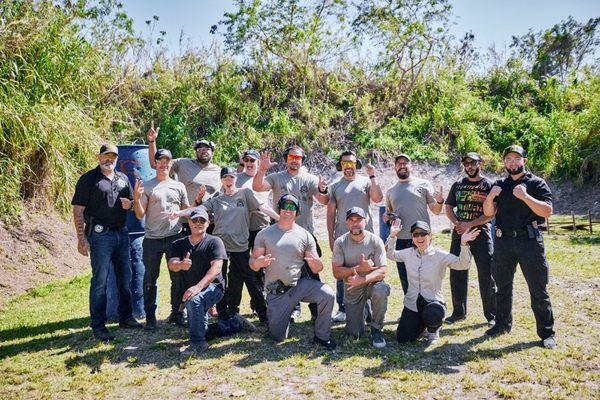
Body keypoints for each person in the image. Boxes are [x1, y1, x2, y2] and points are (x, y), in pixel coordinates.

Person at [173, 166, 279, 324]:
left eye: (231, 178)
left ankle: (262, 314)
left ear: (236, 178)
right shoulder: (216, 199)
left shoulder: (245, 193)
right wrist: (178, 214)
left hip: (240, 245)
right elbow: (197, 210)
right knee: (219, 281)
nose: (228, 181)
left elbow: (262, 207)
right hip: (220, 246)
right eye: (225, 178)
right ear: (221, 180)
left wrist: (279, 218)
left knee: (249, 279)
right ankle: (224, 313)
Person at [483, 145, 556, 349]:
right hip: (504, 241)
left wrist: (525, 196)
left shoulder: (536, 184)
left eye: (516, 158)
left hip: (530, 241)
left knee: (538, 289)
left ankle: (547, 333)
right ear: (504, 162)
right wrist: (490, 196)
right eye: (508, 159)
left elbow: (547, 211)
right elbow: (489, 213)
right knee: (502, 286)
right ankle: (502, 325)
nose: (512, 162)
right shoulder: (499, 185)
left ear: (524, 160)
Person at [71, 143, 142, 341]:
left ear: (117, 158)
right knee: (100, 281)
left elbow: (131, 204)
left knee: (124, 278)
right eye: (106, 156)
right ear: (99, 157)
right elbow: (78, 209)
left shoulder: (123, 178)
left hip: (122, 234)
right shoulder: (88, 179)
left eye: (113, 156)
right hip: (100, 236)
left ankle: (126, 317)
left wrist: (131, 204)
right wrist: (81, 238)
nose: (109, 159)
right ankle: (99, 325)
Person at [253, 146, 329, 322]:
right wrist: (262, 169)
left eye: (298, 157)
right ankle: (292, 309)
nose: (295, 160)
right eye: (292, 157)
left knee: (311, 270)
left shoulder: (310, 179)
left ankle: (316, 309)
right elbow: (258, 187)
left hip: (305, 234)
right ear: (286, 159)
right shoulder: (276, 177)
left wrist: (323, 189)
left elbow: (324, 201)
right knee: (284, 271)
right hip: (280, 234)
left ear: (302, 160)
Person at [249, 194, 336, 349]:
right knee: (277, 337)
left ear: (297, 211)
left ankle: (322, 336)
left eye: (292, 207)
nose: (288, 210)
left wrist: (317, 263)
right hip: (277, 292)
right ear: (279, 209)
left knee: (327, 294)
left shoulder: (305, 235)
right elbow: (252, 264)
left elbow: (317, 268)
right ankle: (282, 317)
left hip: (300, 286)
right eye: (285, 206)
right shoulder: (265, 234)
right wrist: (258, 262)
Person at [386, 220, 479, 344]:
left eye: (423, 234)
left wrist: (463, 244)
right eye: (415, 235)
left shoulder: (440, 255)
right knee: (403, 338)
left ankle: (433, 331)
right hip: (412, 303)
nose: (419, 237)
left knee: (433, 313)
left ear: (430, 236)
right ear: (412, 238)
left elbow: (463, 264)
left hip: (432, 302)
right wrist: (392, 236)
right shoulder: (408, 253)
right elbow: (390, 254)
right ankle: (422, 325)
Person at [133, 149, 189, 330]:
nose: (164, 164)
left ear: (171, 164)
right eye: (160, 161)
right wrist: (136, 197)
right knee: (150, 278)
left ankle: (177, 313)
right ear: (155, 163)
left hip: (175, 237)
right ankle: (150, 318)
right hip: (152, 239)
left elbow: (186, 211)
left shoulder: (179, 186)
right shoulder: (148, 186)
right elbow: (140, 213)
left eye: (167, 161)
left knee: (178, 277)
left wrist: (187, 209)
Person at [327, 150, 383, 323]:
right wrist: (331, 236)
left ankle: (371, 306)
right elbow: (330, 214)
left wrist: (373, 176)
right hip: (343, 236)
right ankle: (343, 308)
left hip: (366, 234)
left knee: (370, 267)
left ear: (356, 164)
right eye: (344, 163)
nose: (348, 166)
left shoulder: (366, 182)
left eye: (351, 163)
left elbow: (377, 197)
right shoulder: (335, 186)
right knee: (343, 269)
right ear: (340, 166)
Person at [444, 152, 496, 326]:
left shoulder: (488, 184)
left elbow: (491, 213)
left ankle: (491, 316)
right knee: (457, 271)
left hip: (482, 234)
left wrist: (471, 224)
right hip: (460, 234)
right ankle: (459, 312)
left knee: (486, 274)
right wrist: (457, 223)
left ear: (480, 163)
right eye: (466, 164)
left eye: (473, 163)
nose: (470, 167)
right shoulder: (458, 185)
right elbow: (449, 206)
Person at [383, 154, 444, 294]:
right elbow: (390, 214)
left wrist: (440, 201)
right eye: (399, 163)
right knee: (405, 278)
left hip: (421, 238)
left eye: (405, 163)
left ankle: (429, 307)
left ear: (412, 166)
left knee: (425, 276)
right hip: (401, 240)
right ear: (395, 167)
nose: (402, 166)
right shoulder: (390, 191)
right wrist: (386, 217)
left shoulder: (423, 184)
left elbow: (435, 210)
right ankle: (411, 311)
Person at [332, 207, 389, 348]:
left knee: (381, 290)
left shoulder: (375, 241)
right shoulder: (340, 242)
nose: (355, 223)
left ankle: (376, 328)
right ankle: (365, 310)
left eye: (359, 219)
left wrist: (363, 279)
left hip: (372, 284)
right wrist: (358, 269)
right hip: (352, 288)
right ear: (346, 223)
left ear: (366, 221)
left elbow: (382, 271)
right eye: (351, 220)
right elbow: (336, 273)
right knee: (354, 334)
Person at [146, 123, 221, 219]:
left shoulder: (219, 171)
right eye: (200, 149)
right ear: (195, 152)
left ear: (213, 152)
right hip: (186, 220)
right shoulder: (183, 163)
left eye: (207, 149)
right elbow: (155, 164)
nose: (204, 151)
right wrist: (152, 142)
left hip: (209, 221)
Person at [236, 149, 271, 313]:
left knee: (261, 267)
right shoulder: (236, 179)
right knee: (243, 267)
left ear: (258, 163)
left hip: (261, 228)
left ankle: (260, 302)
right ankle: (249, 301)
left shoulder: (264, 179)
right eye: (246, 160)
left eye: (253, 161)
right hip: (242, 229)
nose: (249, 163)